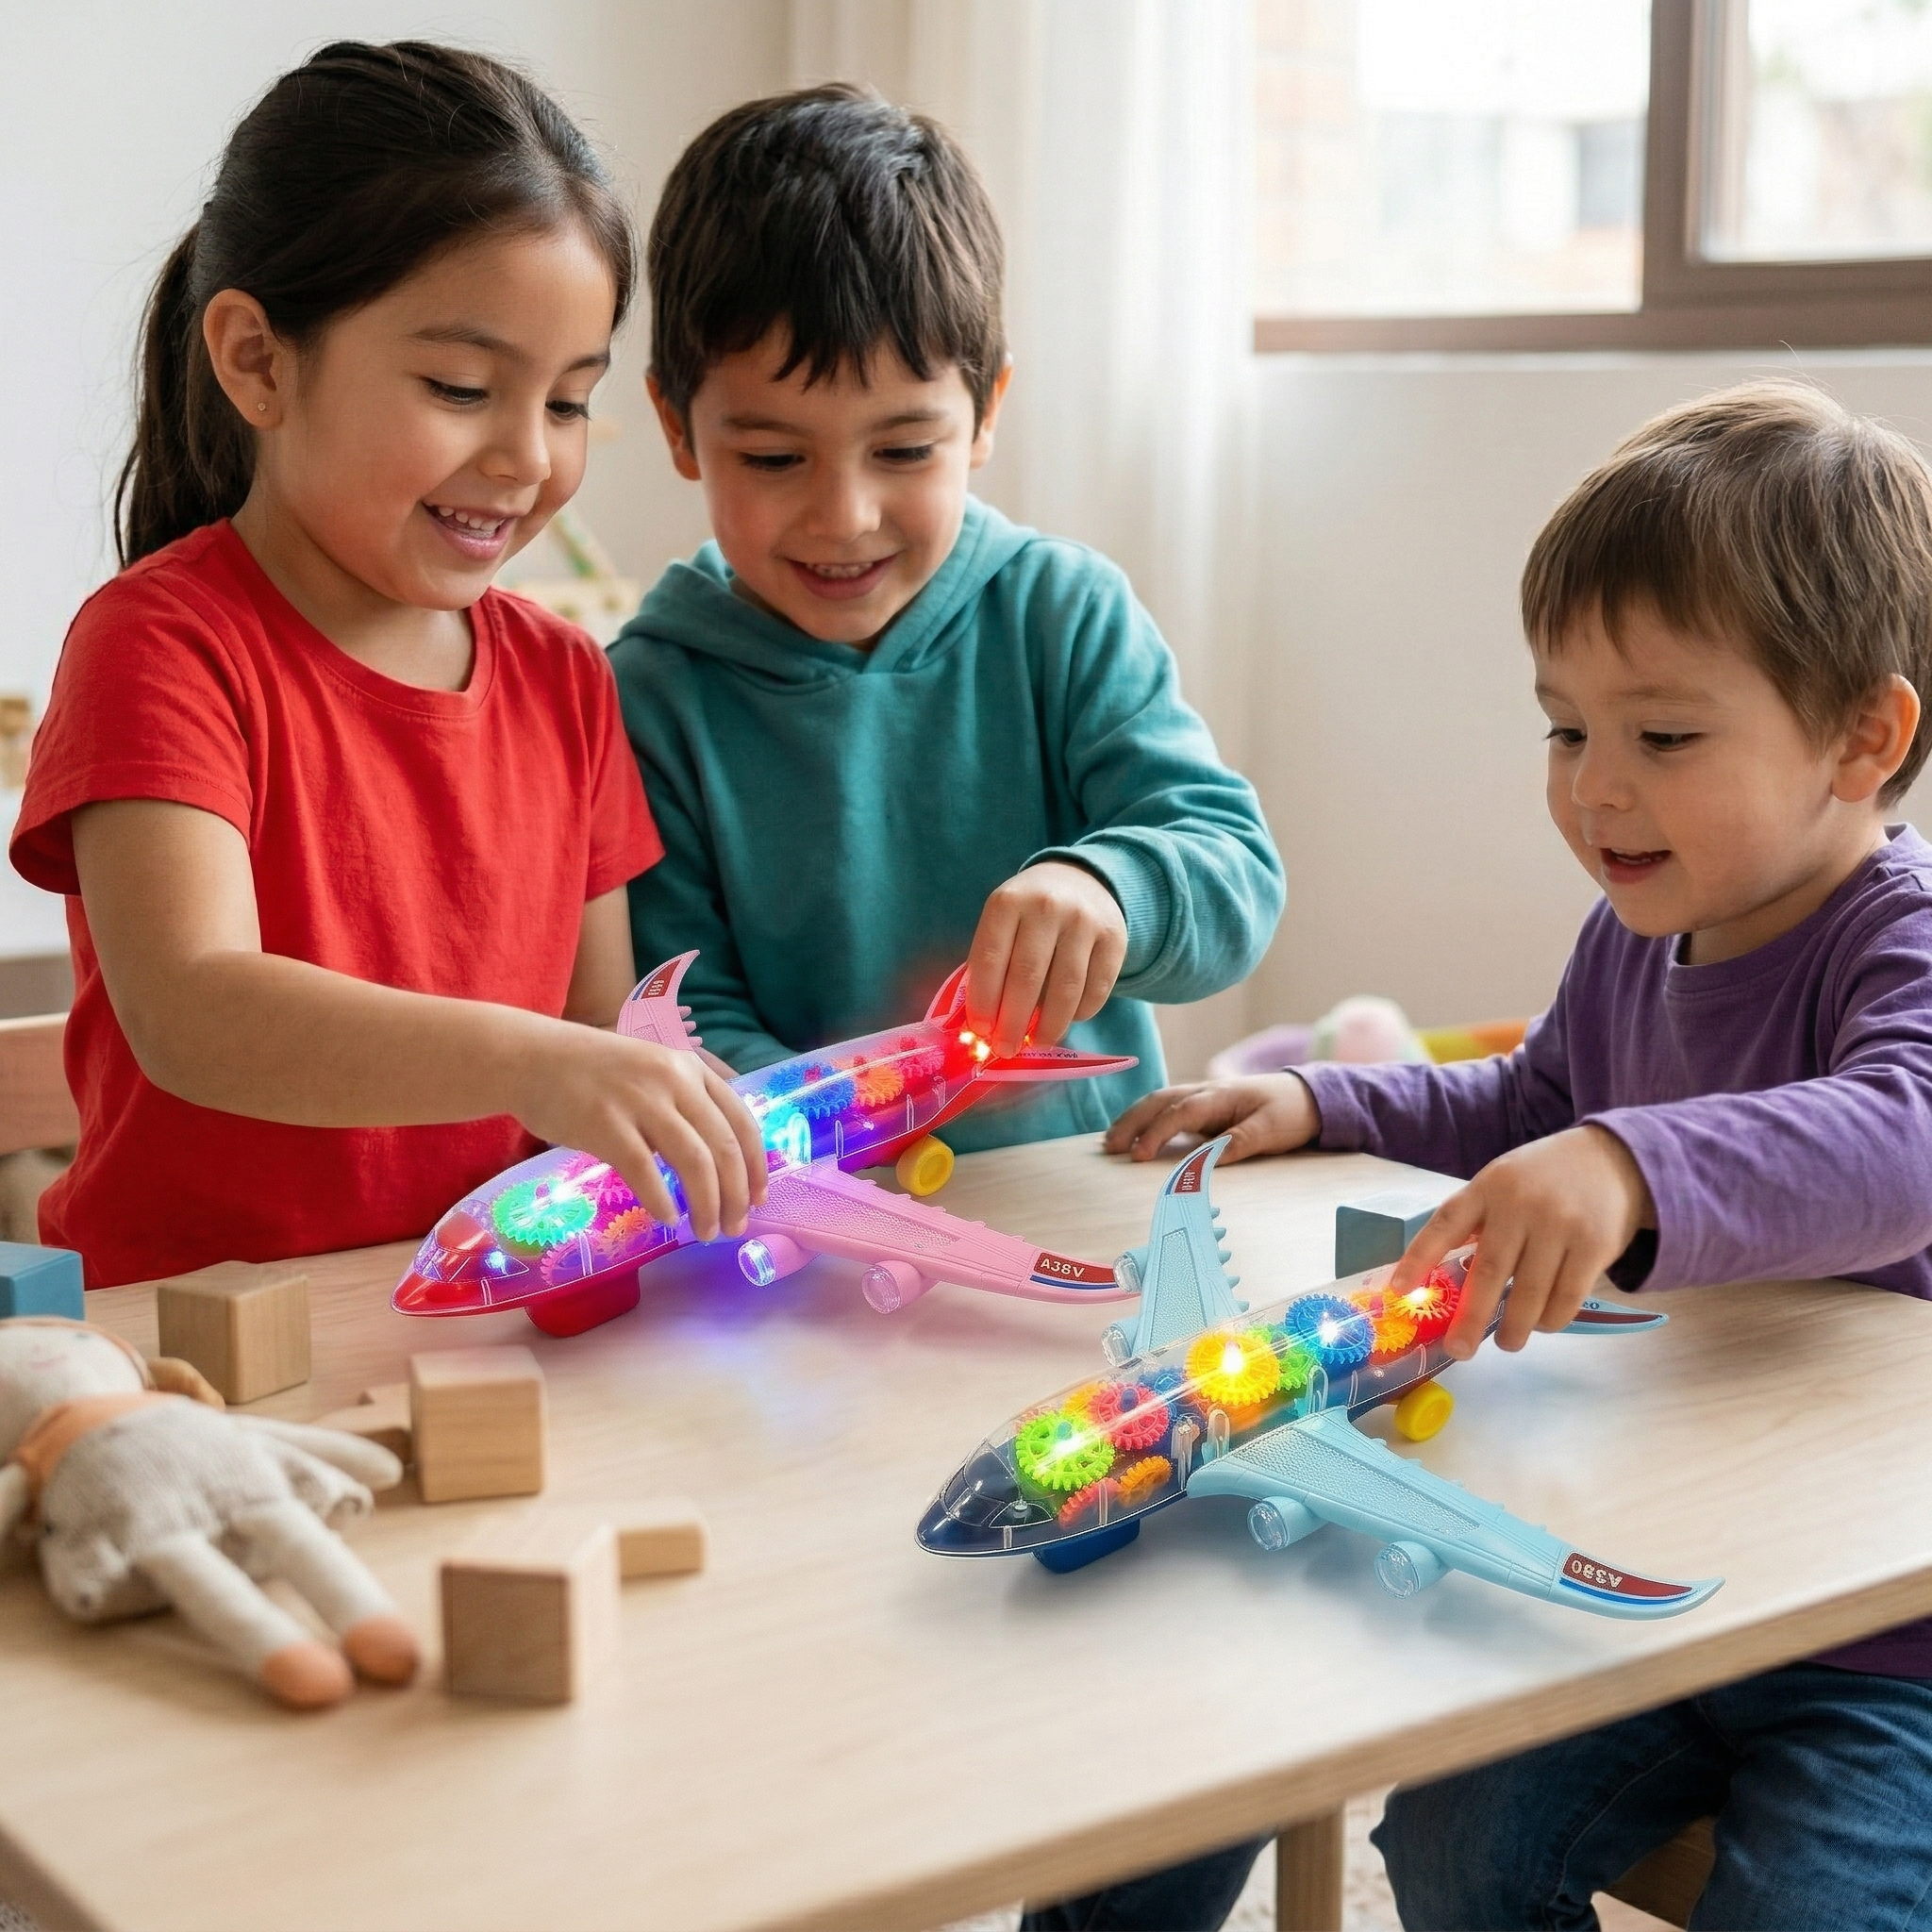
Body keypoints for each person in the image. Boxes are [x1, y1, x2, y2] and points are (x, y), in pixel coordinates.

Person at [1105, 381, 1932, 1930]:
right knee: (1450, 1837)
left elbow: (1901, 1138)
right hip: (1672, 1588)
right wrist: (1330, 1102)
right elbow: (1523, 1099)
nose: (1592, 785)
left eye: (1661, 734)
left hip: (1893, 1647)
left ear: (1859, 737)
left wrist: (1623, 1164)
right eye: (1562, 726)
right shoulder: (1637, 938)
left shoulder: (1898, 940)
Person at [9, 42, 765, 1290]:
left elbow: (597, 1028)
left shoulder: (568, 680)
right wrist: (542, 1064)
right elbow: (194, 1012)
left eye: (569, 402)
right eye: (462, 387)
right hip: (207, 1345)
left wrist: (661, 1095)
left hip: (494, 1315)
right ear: (257, 361)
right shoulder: (159, 646)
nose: (527, 456)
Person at [608, 85, 1283, 1155]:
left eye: (904, 449)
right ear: (675, 426)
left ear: (986, 415)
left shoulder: (1063, 615)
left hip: (1088, 1199)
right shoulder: (650, 694)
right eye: (774, 457)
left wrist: (1107, 884)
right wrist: (841, 1132)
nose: (844, 515)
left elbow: (1232, 875)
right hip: (817, 1231)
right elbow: (679, 1012)